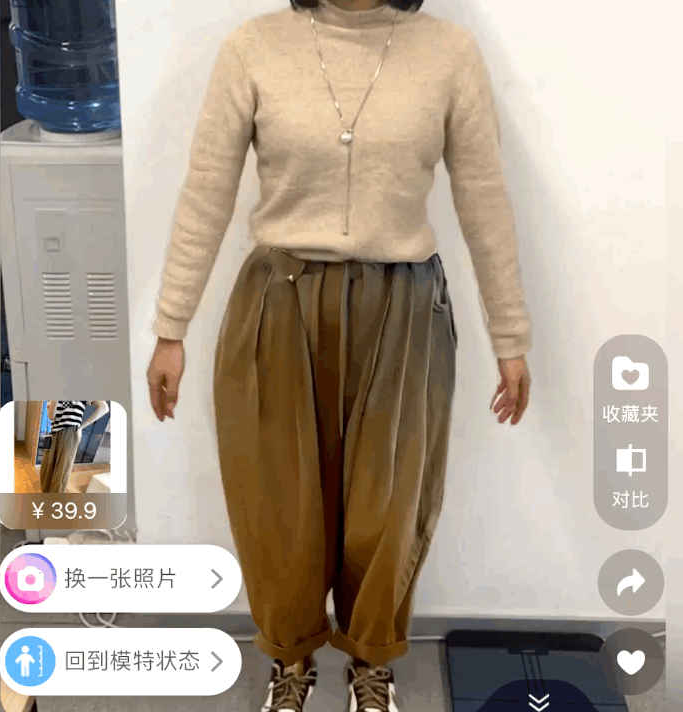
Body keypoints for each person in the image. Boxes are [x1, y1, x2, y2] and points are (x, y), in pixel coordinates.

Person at [147, 0, 532, 709]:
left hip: (404, 310)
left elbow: (484, 198)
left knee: (389, 505)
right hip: (278, 306)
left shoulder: (448, 52)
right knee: (279, 501)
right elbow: (206, 191)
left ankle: (371, 666)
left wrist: (510, 336)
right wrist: (172, 327)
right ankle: (290, 663)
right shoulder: (254, 47)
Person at [39, 400, 109, 494]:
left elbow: (104, 407)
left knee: (61, 472)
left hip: (70, 432)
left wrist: (81, 427)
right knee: (46, 469)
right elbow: (52, 417)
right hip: (53, 433)